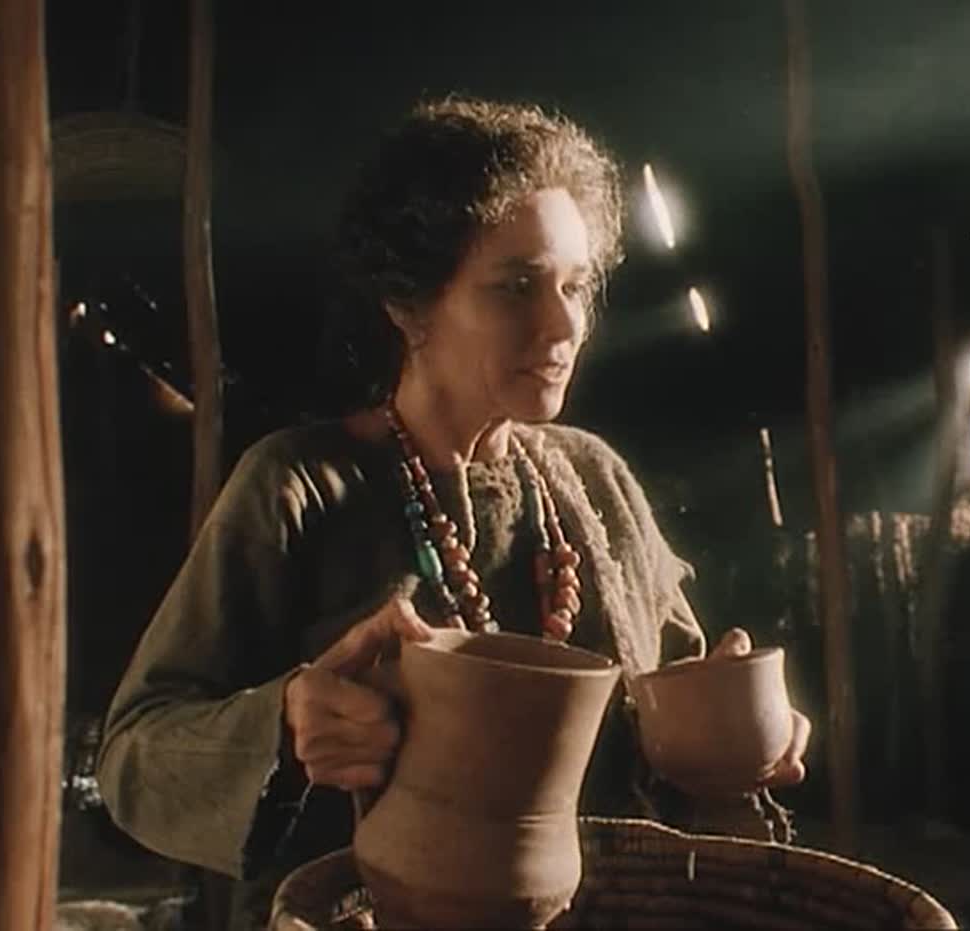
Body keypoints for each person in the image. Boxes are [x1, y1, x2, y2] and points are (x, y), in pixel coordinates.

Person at [96, 96, 811, 929]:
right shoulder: (301, 485)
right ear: (408, 306)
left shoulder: (595, 481)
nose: (564, 323)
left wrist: (740, 725)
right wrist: (284, 726)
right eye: (517, 287)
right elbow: (133, 757)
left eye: (576, 285)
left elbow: (677, 705)